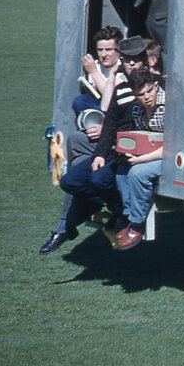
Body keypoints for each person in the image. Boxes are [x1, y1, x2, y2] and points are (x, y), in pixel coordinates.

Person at [42, 37, 151, 254]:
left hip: (135, 151)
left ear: (144, 61)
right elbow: (109, 118)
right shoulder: (121, 83)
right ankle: (114, 209)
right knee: (70, 182)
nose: (132, 65)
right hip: (114, 148)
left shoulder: (150, 85)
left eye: (136, 60)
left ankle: (84, 221)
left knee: (98, 178)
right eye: (127, 60)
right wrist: (100, 153)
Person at [113, 70, 166, 250]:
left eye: (149, 91)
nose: (147, 98)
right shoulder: (137, 108)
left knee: (137, 172)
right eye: (141, 95)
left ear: (156, 86)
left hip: (169, 156)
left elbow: (174, 145)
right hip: (150, 154)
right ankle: (129, 216)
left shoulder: (169, 106)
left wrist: (141, 159)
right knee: (121, 170)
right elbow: (142, 138)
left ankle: (137, 224)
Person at [72, 26, 124, 115]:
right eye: (100, 50)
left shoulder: (123, 67)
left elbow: (111, 98)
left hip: (117, 109)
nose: (103, 55)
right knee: (80, 101)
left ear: (118, 50)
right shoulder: (95, 64)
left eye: (108, 50)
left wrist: (93, 72)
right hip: (98, 106)